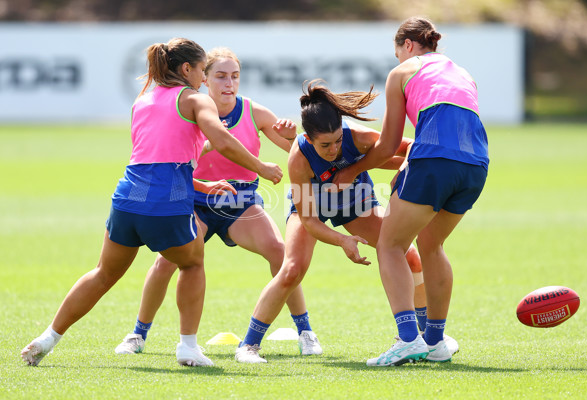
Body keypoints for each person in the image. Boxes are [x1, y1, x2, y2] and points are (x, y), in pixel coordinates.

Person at [20, 38, 283, 367]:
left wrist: (202, 184)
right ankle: (188, 347)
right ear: (187, 69)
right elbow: (222, 141)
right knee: (192, 263)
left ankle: (49, 337)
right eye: (203, 71)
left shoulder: (141, 100)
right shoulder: (194, 100)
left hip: (127, 199)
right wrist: (262, 167)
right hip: (166, 204)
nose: (204, 79)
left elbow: (155, 161)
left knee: (104, 273)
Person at [114, 47, 323, 357]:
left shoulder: (254, 112)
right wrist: (211, 146)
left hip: (240, 203)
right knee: (165, 262)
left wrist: (293, 136)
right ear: (204, 79)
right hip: (195, 201)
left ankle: (305, 331)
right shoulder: (191, 108)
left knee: (280, 252)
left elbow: (299, 150)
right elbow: (172, 156)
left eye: (235, 77)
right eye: (221, 76)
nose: (229, 83)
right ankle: (138, 334)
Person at [234, 80, 428, 364]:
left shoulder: (356, 137)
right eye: (325, 145)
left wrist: (384, 166)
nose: (334, 149)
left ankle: (421, 337)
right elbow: (310, 220)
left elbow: (409, 147)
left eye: (338, 140)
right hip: (312, 206)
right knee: (291, 270)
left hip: (356, 203)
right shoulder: (298, 159)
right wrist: (343, 241)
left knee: (409, 256)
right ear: (309, 139)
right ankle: (247, 345)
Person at [332, 17, 489, 366]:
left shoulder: (402, 72)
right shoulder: (464, 73)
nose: (398, 59)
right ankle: (434, 342)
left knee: (390, 244)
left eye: (397, 53)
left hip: (435, 160)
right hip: (477, 164)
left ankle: (407, 339)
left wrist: (354, 169)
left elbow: (388, 144)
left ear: (407, 46)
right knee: (432, 245)